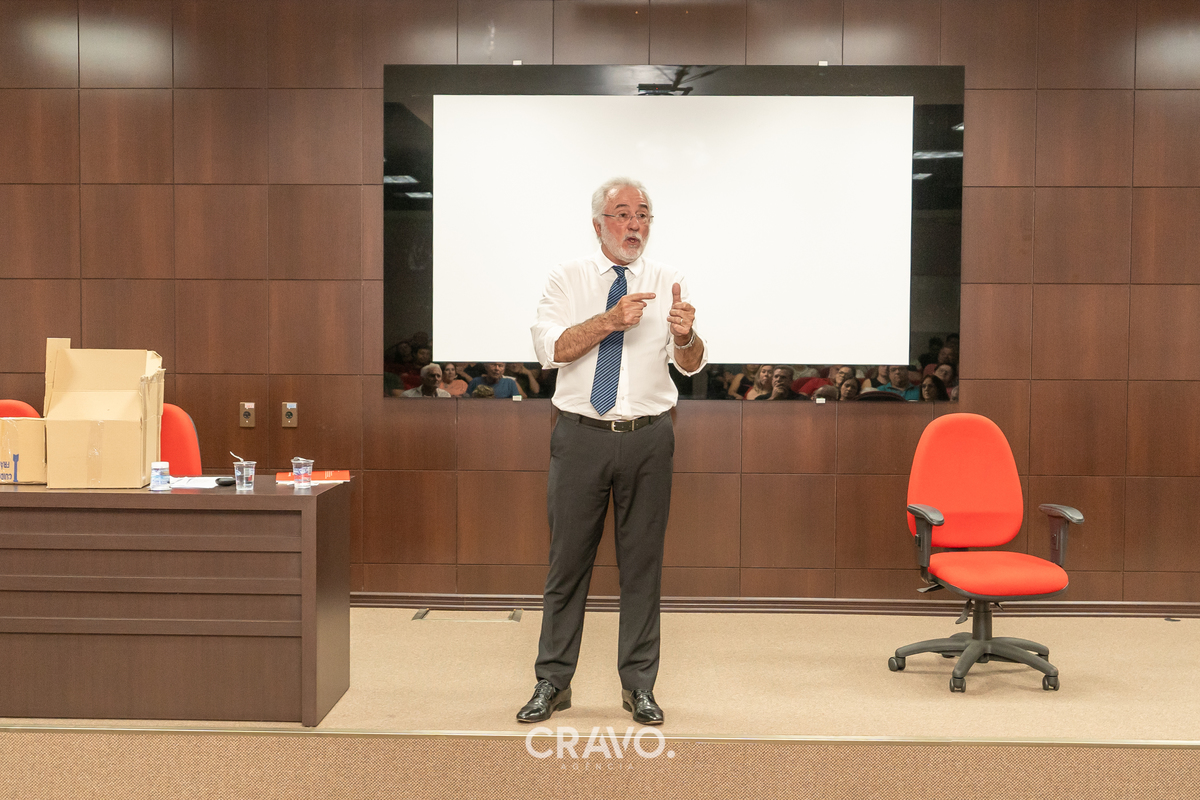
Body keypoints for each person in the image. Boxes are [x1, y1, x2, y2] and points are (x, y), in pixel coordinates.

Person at [520, 178, 707, 727]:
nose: (634, 224)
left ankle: (639, 686)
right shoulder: (568, 277)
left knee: (642, 567)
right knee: (567, 564)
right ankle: (552, 682)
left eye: (643, 214)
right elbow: (551, 349)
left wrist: (687, 336)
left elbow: (691, 364)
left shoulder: (668, 279)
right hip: (580, 436)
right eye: (622, 213)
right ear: (598, 224)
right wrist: (610, 320)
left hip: (649, 437)